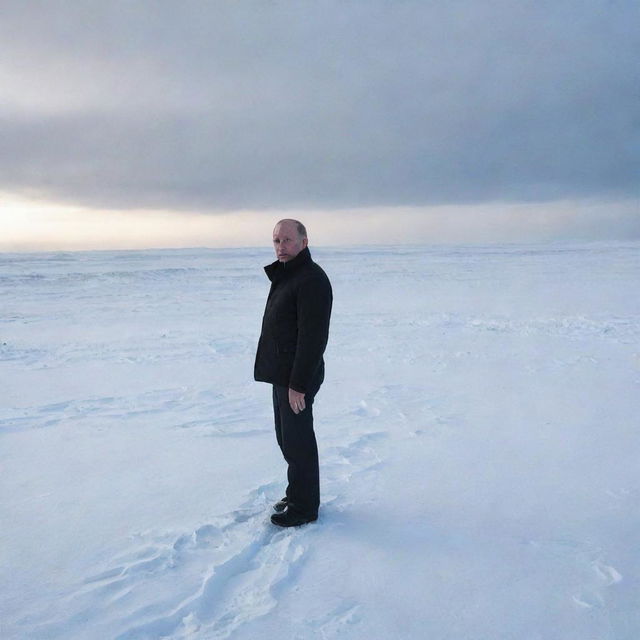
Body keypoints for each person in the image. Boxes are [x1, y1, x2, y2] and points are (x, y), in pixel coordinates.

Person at [254, 219, 333, 527]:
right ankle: (298, 493)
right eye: (276, 240)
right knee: (287, 440)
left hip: (296, 378)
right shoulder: (289, 275)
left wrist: (298, 384)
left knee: (298, 442)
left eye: (287, 240)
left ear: (304, 241)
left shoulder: (311, 279)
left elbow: (313, 338)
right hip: (282, 374)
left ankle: (304, 507)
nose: (280, 246)